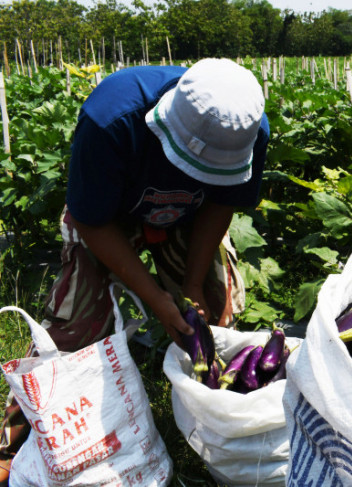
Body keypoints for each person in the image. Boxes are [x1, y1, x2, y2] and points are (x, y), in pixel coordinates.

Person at [0, 57, 269, 484]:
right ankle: (13, 443)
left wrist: (193, 283)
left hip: (189, 217)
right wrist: (154, 297)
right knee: (73, 325)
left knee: (215, 313)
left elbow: (222, 204)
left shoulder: (246, 128)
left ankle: (213, 423)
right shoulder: (112, 119)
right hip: (109, 220)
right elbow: (91, 221)